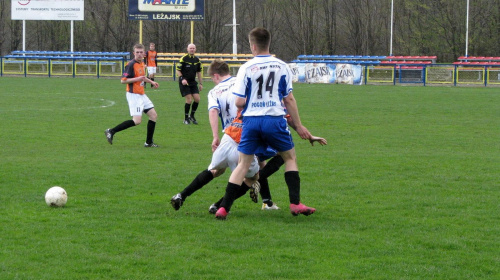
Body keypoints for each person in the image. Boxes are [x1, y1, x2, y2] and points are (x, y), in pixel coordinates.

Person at [215, 27, 316, 220]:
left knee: (243, 165)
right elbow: (289, 100)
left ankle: (224, 208)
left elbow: (238, 102)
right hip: (274, 120)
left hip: (251, 122)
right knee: (290, 158)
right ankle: (295, 203)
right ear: (268, 44)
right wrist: (299, 125)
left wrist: (252, 102)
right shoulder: (281, 66)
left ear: (253, 46)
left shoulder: (246, 67)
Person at [170, 59, 260, 211]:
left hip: (228, 136)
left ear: (216, 76)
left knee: (215, 170)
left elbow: (213, 111)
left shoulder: (214, 92)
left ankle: (181, 195)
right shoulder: (241, 81)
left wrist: (215, 136)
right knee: (253, 177)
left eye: (212, 78)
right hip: (247, 134)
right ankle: (220, 205)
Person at [104, 43, 160, 148]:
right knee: (137, 121)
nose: (139, 54)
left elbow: (142, 77)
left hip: (142, 94)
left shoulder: (142, 63)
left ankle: (148, 143)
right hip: (133, 95)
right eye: (137, 52)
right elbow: (123, 80)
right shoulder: (131, 64)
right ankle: (111, 131)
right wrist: (137, 79)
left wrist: (152, 82)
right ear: (134, 53)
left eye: (141, 52)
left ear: (144, 53)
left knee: (153, 115)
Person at [176, 43, 203, 125]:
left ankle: (192, 116)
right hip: (184, 82)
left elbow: (199, 72)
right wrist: (182, 78)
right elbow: (178, 70)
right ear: (187, 49)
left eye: (193, 48)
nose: (192, 49)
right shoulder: (183, 59)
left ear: (195, 49)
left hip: (193, 82)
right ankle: (186, 118)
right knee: (189, 100)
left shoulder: (197, 60)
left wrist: (201, 83)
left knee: (197, 99)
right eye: (190, 48)